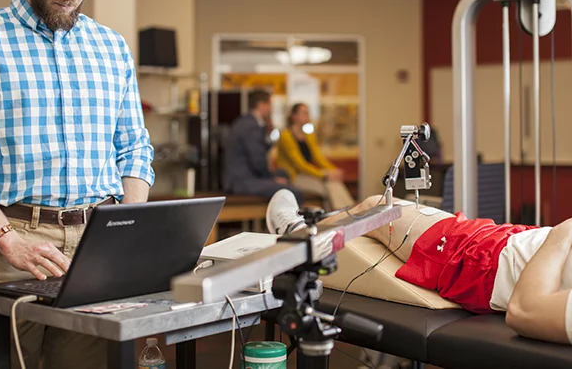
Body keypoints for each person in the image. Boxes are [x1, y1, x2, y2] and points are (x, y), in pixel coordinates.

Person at [0, 0, 155, 368]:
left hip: (98, 244)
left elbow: (134, 147)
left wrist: (126, 226)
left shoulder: (111, 48)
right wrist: (5, 237)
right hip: (13, 243)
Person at [266, 189, 572, 345]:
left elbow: (524, 311)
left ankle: (294, 231)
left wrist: (561, 234)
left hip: (484, 261)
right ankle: (310, 224)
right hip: (512, 241)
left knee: (376, 207)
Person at [223, 90, 302, 204]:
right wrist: (272, 180)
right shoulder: (251, 126)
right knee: (292, 192)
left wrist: (269, 134)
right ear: (261, 105)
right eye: (270, 104)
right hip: (242, 181)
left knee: (283, 174)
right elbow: (258, 161)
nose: (271, 109)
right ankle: (293, 220)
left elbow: (258, 150)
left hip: (244, 178)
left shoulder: (247, 122)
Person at [276, 103, 353, 210]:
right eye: (304, 113)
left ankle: (345, 211)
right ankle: (344, 212)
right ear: (294, 117)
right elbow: (300, 164)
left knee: (333, 182)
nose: (308, 116)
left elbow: (318, 158)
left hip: (308, 175)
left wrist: (333, 171)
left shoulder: (309, 136)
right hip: (293, 177)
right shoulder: (286, 136)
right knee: (328, 187)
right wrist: (323, 175)